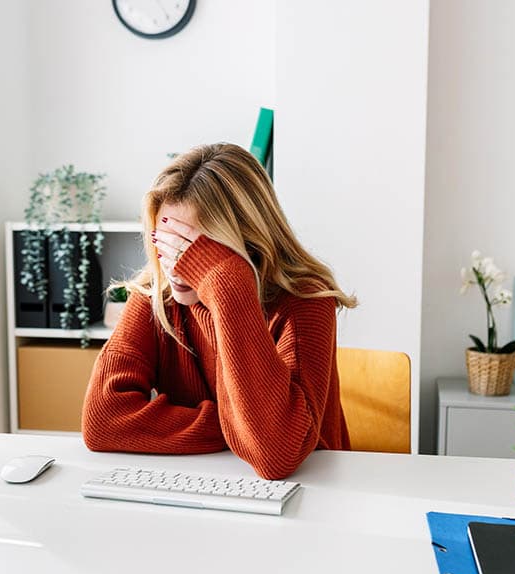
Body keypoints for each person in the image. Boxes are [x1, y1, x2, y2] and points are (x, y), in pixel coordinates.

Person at [81, 143, 357, 480]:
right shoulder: (158, 294)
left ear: (248, 241)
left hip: (314, 488)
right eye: (167, 245)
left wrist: (227, 288)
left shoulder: (305, 299)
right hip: (209, 483)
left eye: (193, 251)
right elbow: (103, 421)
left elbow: (276, 455)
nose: (175, 268)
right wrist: (235, 427)